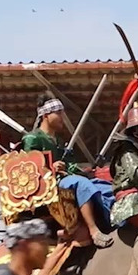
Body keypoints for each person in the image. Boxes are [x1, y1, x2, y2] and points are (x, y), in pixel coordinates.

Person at [22, 97, 114, 248]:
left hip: (65, 178)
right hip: (51, 184)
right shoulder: (32, 138)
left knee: (103, 185)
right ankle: (94, 230)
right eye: (58, 113)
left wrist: (83, 171)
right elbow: (28, 167)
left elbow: (70, 165)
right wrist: (51, 167)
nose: (62, 117)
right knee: (81, 183)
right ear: (46, 115)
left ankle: (112, 220)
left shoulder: (59, 141)